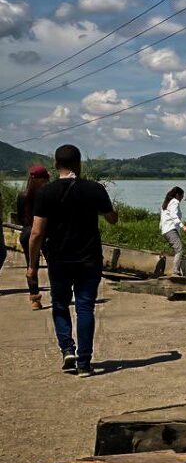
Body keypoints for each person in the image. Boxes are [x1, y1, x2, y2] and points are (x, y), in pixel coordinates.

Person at [27, 145, 118, 376]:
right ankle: (85, 363)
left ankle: (68, 350)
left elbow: (36, 233)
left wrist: (32, 266)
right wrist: (106, 207)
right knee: (85, 307)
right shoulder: (94, 189)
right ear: (79, 164)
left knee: (60, 305)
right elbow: (112, 218)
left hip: (59, 260)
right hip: (89, 258)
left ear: (56, 164)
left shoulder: (46, 193)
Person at [17, 165, 51, 309]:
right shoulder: (47, 195)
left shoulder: (22, 196)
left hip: (27, 233)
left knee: (31, 265)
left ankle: (35, 299)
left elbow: (20, 218)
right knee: (53, 264)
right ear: (44, 179)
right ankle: (58, 293)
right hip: (46, 233)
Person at [159, 186, 186, 276]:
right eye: (181, 196)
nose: (181, 199)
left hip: (166, 230)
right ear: (177, 195)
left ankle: (175, 269)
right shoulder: (174, 201)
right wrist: (183, 226)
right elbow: (173, 215)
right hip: (170, 229)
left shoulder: (167, 202)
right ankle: (175, 272)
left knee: (177, 249)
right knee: (179, 249)